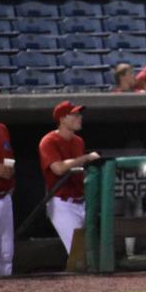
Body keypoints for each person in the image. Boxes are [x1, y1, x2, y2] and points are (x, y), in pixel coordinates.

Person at [39, 101, 100, 254]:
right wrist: (86, 157)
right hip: (61, 203)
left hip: (81, 201)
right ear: (62, 119)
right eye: (74, 115)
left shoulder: (78, 141)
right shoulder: (49, 141)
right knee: (78, 251)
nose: (80, 118)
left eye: (79, 114)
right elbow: (58, 169)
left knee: (91, 251)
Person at [0, 89, 15, 276]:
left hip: (4, 195)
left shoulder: (1, 128)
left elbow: (8, 158)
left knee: (6, 251)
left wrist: (10, 175)